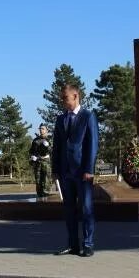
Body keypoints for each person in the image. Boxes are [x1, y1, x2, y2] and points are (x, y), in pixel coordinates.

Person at [51, 85, 99, 257]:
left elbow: (93, 144)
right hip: (65, 172)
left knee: (86, 209)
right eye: (62, 98)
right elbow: (56, 146)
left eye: (65, 98)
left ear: (76, 96)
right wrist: (55, 169)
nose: (63, 101)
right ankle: (72, 245)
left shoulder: (88, 116)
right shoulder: (60, 119)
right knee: (69, 210)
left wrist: (89, 168)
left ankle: (88, 245)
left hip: (82, 172)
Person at [29, 124, 52, 198]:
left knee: (46, 180)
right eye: (40, 129)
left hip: (46, 162)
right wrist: (32, 157)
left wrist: (48, 146)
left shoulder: (50, 139)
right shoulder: (36, 140)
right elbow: (31, 151)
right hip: (37, 162)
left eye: (43, 129)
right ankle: (39, 196)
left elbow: (53, 151)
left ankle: (46, 196)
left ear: (47, 130)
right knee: (38, 180)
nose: (41, 130)